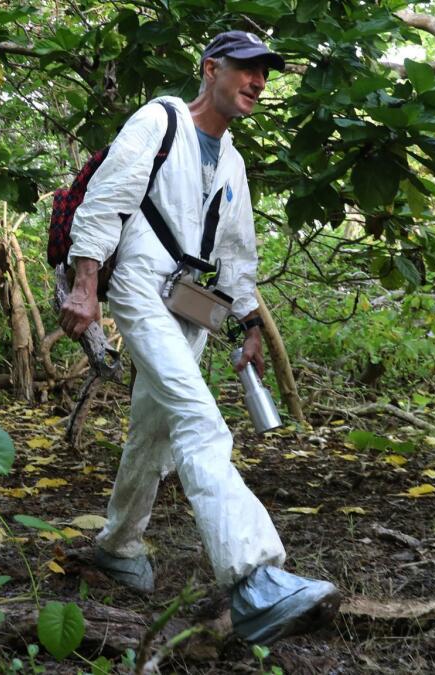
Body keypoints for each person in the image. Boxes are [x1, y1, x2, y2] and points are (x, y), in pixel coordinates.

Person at [58, 32, 339, 644]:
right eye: (246, 70)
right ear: (211, 68)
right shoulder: (159, 120)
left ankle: (118, 544)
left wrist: (251, 324)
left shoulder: (233, 159)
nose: (257, 82)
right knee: (200, 418)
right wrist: (85, 286)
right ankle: (255, 578)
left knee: (155, 428)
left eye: (264, 74)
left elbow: (236, 253)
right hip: (137, 283)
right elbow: (105, 201)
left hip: (190, 302)